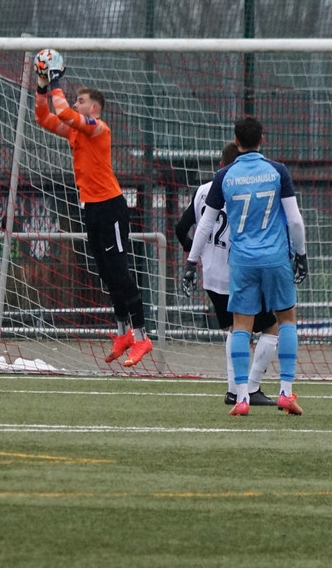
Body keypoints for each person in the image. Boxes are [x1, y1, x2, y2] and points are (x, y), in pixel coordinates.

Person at [181, 116, 308, 417]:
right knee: (286, 320)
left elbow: (205, 224)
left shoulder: (225, 176)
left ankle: (241, 398)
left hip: (242, 261)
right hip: (276, 258)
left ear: (236, 142)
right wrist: (301, 255)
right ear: (262, 139)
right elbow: (294, 220)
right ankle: (286, 393)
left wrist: (190, 262)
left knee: (241, 326)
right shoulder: (278, 171)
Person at [33, 51, 152, 367]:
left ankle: (142, 337)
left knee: (121, 271)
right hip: (92, 209)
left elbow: (62, 111)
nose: (75, 103)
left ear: (94, 108)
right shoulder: (76, 129)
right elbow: (45, 118)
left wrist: (55, 78)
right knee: (105, 273)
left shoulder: (99, 128)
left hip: (110, 206)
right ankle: (123, 332)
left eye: (81, 100)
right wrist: (42, 84)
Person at [175, 142, 279, 407]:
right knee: (272, 326)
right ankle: (251, 386)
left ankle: (234, 390)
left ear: (221, 165)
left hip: (211, 275)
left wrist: (195, 256)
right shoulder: (243, 188)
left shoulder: (202, 191)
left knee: (235, 329)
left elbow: (180, 228)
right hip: (239, 273)